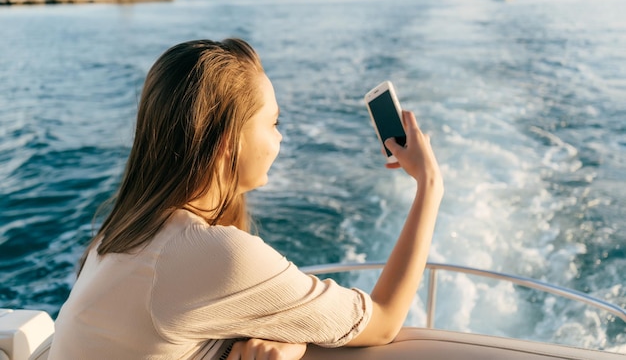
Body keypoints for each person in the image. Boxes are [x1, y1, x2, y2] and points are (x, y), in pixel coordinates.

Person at [48, 38, 443, 360]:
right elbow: (385, 320)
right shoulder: (209, 254)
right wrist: (429, 185)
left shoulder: (125, 229)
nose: (280, 137)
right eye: (274, 123)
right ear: (228, 142)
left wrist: (289, 338)